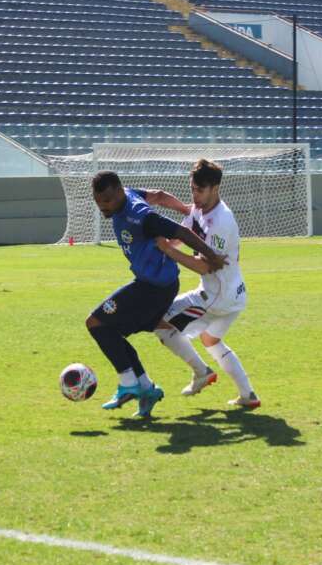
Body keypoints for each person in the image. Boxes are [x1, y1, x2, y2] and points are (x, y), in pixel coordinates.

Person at [87, 171, 226, 418]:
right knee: (113, 331)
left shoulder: (141, 216)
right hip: (153, 284)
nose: (103, 207)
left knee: (96, 323)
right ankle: (146, 389)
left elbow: (181, 234)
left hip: (153, 288)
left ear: (119, 192)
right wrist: (185, 209)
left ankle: (131, 383)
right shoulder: (128, 194)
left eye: (107, 200)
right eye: (98, 202)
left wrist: (211, 255)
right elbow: (160, 195)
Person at [148, 159, 260, 409]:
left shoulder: (221, 221)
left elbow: (206, 265)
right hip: (235, 295)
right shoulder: (199, 210)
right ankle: (248, 395)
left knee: (157, 320)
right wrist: (162, 249)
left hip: (216, 297)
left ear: (215, 188)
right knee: (211, 340)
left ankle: (202, 372)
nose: (195, 196)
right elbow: (181, 234)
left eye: (200, 190)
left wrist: (167, 250)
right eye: (193, 190)